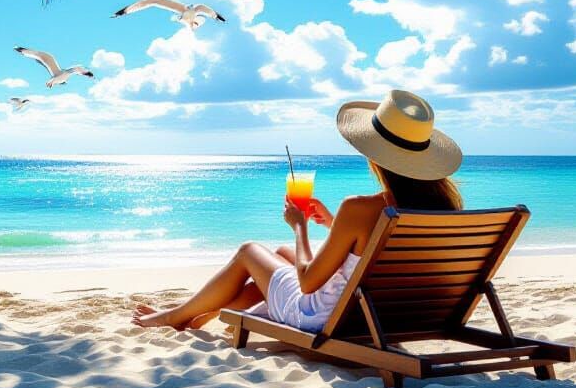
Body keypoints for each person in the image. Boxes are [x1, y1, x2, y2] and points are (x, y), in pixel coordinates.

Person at [132, 89, 463, 332]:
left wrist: (300, 226)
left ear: (375, 156)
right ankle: (202, 316)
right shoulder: (446, 208)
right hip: (392, 314)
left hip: (327, 317)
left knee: (250, 251)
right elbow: (380, 254)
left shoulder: (360, 207)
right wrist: (336, 224)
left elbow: (307, 284)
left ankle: (175, 316)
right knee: (280, 254)